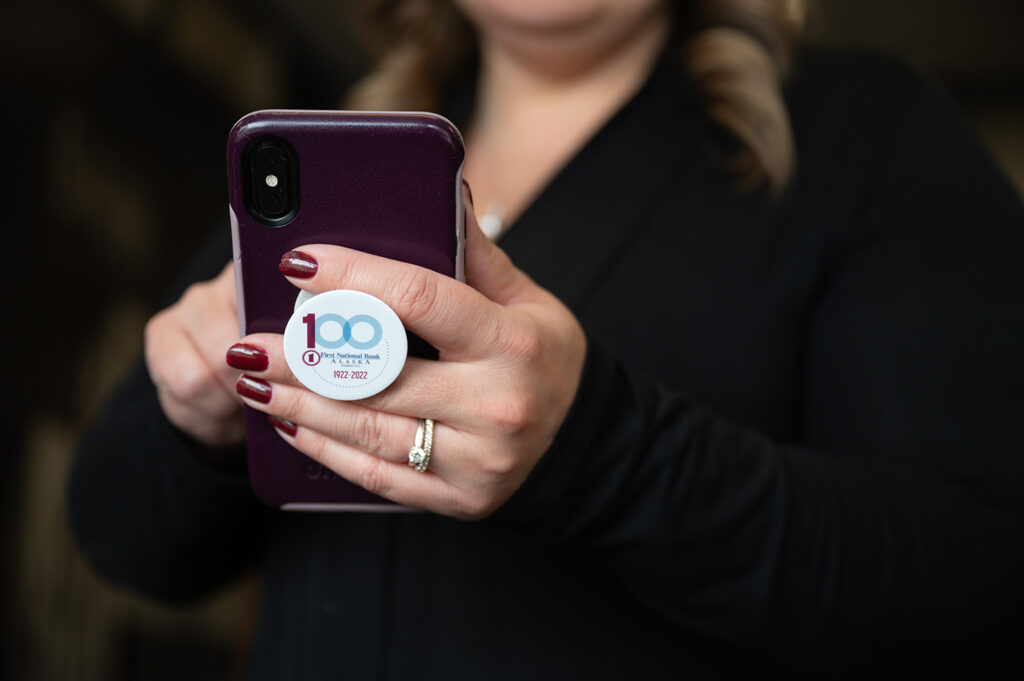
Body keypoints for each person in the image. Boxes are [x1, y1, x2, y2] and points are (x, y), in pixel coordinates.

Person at [70, 0, 1024, 678]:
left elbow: (981, 585)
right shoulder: (336, 152)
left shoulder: (866, 132)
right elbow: (119, 537)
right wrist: (193, 416)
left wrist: (606, 454)